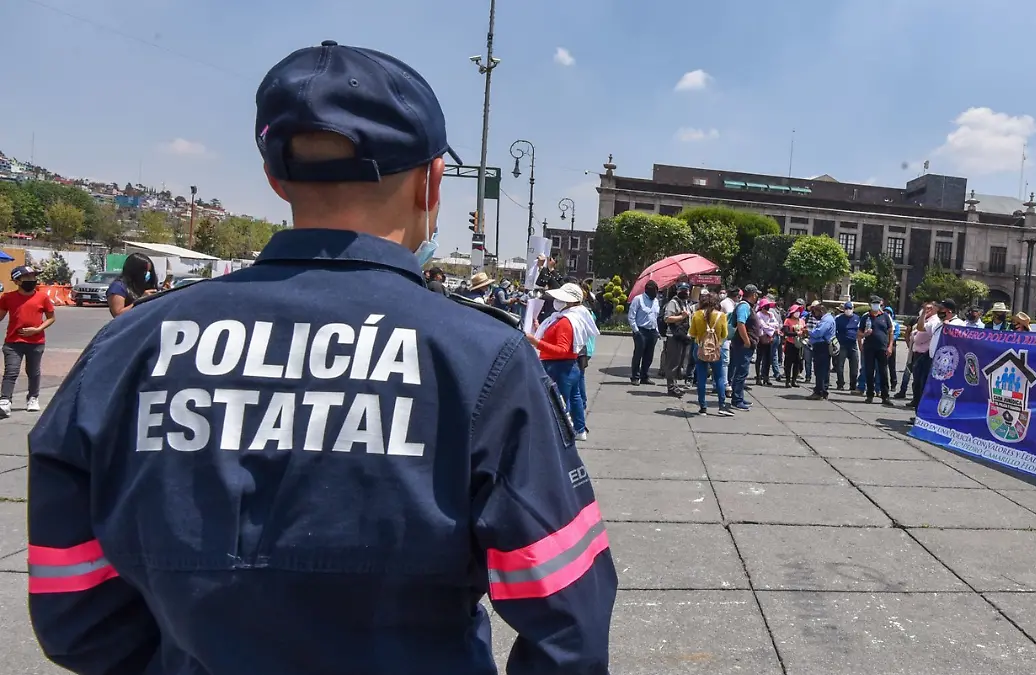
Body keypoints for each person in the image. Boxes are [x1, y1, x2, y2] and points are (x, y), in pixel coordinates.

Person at [26, 41, 616, 675]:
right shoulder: (481, 360)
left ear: (276, 178)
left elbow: (71, 606)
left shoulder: (127, 347)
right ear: (431, 181)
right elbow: (569, 621)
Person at [528, 283, 599, 441]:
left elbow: (561, 350)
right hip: (568, 366)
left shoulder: (565, 321)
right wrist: (539, 329)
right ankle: (579, 430)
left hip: (559, 367)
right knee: (575, 398)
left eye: (561, 298)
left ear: (570, 302)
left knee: (558, 405)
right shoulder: (567, 318)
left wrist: (535, 342)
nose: (556, 301)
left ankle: (560, 436)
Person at [0, 265, 55, 416]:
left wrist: (37, 329)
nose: (32, 280)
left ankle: (33, 397)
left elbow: (51, 318)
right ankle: (5, 401)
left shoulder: (42, 297)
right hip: (13, 342)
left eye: (33, 277)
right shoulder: (7, 298)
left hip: (36, 342)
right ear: (17, 281)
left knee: (33, 372)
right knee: (11, 371)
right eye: (28, 277)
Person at [689, 291, 732, 416]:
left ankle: (703, 407)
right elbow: (725, 334)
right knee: (719, 377)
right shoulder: (721, 316)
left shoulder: (696, 315)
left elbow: (692, 333)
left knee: (701, 378)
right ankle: (722, 406)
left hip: (700, 348)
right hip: (716, 349)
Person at [857, 296, 895, 406]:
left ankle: (885, 396)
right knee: (869, 371)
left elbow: (890, 332)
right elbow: (859, 333)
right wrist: (864, 335)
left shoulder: (885, 316)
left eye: (877, 303)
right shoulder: (865, 317)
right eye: (874, 303)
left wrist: (890, 346)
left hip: (882, 348)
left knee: (883, 372)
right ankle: (869, 395)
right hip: (869, 348)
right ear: (870, 304)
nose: (876, 305)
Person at [729, 285, 761, 410]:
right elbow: (741, 324)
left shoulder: (747, 306)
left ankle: (739, 397)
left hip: (745, 344)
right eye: (756, 294)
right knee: (741, 371)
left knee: (743, 371)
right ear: (753, 294)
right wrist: (746, 341)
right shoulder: (744, 306)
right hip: (743, 344)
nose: (757, 296)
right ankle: (736, 400)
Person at [662, 280, 692, 397]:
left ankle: (675, 385)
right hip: (674, 336)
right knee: (673, 363)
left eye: (686, 290)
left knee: (680, 362)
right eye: (682, 290)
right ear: (678, 291)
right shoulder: (673, 303)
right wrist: (681, 316)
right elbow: (667, 318)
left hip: (683, 336)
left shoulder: (686, 303)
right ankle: (671, 387)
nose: (685, 292)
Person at [907, 302, 939, 414]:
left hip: (924, 356)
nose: (927, 309)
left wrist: (914, 335)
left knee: (921, 385)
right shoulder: (926, 319)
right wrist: (924, 314)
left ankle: (920, 413)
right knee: (916, 384)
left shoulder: (934, 321)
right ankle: (917, 411)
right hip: (917, 354)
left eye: (930, 308)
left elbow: (918, 338)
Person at [628, 280, 660, 385]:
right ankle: (635, 377)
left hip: (652, 331)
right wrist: (636, 331)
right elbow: (631, 316)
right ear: (647, 290)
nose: (655, 293)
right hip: (641, 331)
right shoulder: (638, 299)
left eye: (656, 291)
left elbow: (655, 317)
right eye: (653, 291)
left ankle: (644, 376)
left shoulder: (656, 301)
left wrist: (657, 331)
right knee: (638, 354)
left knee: (649, 356)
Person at [106, 252, 158, 317]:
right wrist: (141, 300)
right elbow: (117, 314)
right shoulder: (118, 287)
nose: (148, 274)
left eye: (149, 271)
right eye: (145, 271)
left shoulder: (143, 285)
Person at [805, 301, 835, 400]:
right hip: (822, 345)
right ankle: (823, 390)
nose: (814, 315)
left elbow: (818, 333)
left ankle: (819, 391)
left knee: (820, 370)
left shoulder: (826, 320)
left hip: (822, 346)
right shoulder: (826, 319)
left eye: (815, 312)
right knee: (824, 369)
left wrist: (808, 332)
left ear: (821, 311)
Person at [834, 301, 861, 392]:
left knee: (855, 365)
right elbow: (834, 330)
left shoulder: (857, 318)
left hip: (853, 344)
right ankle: (840, 383)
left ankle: (853, 384)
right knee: (840, 365)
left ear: (853, 309)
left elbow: (860, 330)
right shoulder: (839, 319)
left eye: (850, 308)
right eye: (846, 308)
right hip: (842, 344)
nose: (848, 310)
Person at [754, 298, 779, 387]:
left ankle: (766, 377)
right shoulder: (758, 314)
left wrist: (770, 327)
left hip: (769, 338)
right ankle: (758, 377)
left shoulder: (771, 314)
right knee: (759, 358)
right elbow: (762, 325)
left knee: (768, 359)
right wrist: (771, 328)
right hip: (761, 337)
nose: (767, 308)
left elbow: (776, 324)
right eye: (766, 306)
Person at [781, 304, 804, 388]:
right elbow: (786, 332)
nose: (797, 313)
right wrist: (796, 333)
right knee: (788, 363)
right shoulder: (788, 321)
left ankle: (794, 380)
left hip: (799, 344)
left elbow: (804, 330)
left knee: (797, 363)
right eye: (796, 311)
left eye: (798, 311)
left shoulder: (801, 321)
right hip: (790, 344)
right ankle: (787, 380)